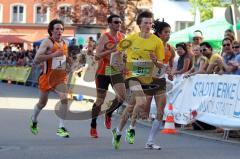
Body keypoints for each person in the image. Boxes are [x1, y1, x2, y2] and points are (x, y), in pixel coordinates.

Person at [111, 11, 165, 150]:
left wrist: (155, 61)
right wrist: (119, 67)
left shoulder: (157, 41)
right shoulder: (130, 39)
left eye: (150, 23)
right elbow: (115, 55)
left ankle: (117, 131)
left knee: (131, 107)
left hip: (146, 78)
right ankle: (132, 128)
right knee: (141, 102)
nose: (148, 25)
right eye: (145, 23)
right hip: (132, 76)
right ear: (139, 24)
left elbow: (160, 64)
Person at [30, 19, 71, 138]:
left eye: (62, 29)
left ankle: (61, 127)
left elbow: (64, 57)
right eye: (57, 29)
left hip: (60, 78)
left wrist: (70, 63)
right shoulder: (47, 43)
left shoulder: (65, 43)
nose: (60, 31)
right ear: (51, 31)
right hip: (47, 78)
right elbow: (36, 59)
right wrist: (53, 55)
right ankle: (34, 119)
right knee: (42, 103)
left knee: (65, 98)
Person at [89, 14, 126, 138]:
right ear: (109, 24)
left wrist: (124, 60)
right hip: (103, 72)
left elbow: (125, 54)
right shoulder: (104, 38)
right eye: (116, 22)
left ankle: (109, 113)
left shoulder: (122, 37)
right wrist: (110, 51)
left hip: (116, 71)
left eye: (120, 22)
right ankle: (93, 126)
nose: (118, 24)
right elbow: (97, 56)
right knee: (100, 101)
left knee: (121, 97)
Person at [143, 19, 175, 150]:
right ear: (159, 33)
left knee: (161, 112)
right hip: (149, 80)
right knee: (141, 110)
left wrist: (170, 72)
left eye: (169, 32)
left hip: (160, 81)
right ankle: (126, 128)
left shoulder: (170, 49)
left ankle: (150, 141)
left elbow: (171, 64)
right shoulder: (153, 46)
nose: (168, 34)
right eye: (166, 32)